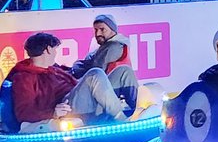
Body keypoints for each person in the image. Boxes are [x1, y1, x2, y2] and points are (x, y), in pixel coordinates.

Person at [9, 32, 138, 131]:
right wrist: (52, 113)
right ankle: (121, 121)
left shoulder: (53, 68)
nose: (55, 53)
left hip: (78, 98)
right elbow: (23, 112)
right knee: (95, 74)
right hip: (66, 108)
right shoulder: (24, 77)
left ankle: (137, 109)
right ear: (48, 49)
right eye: (54, 49)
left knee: (123, 71)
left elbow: (73, 77)